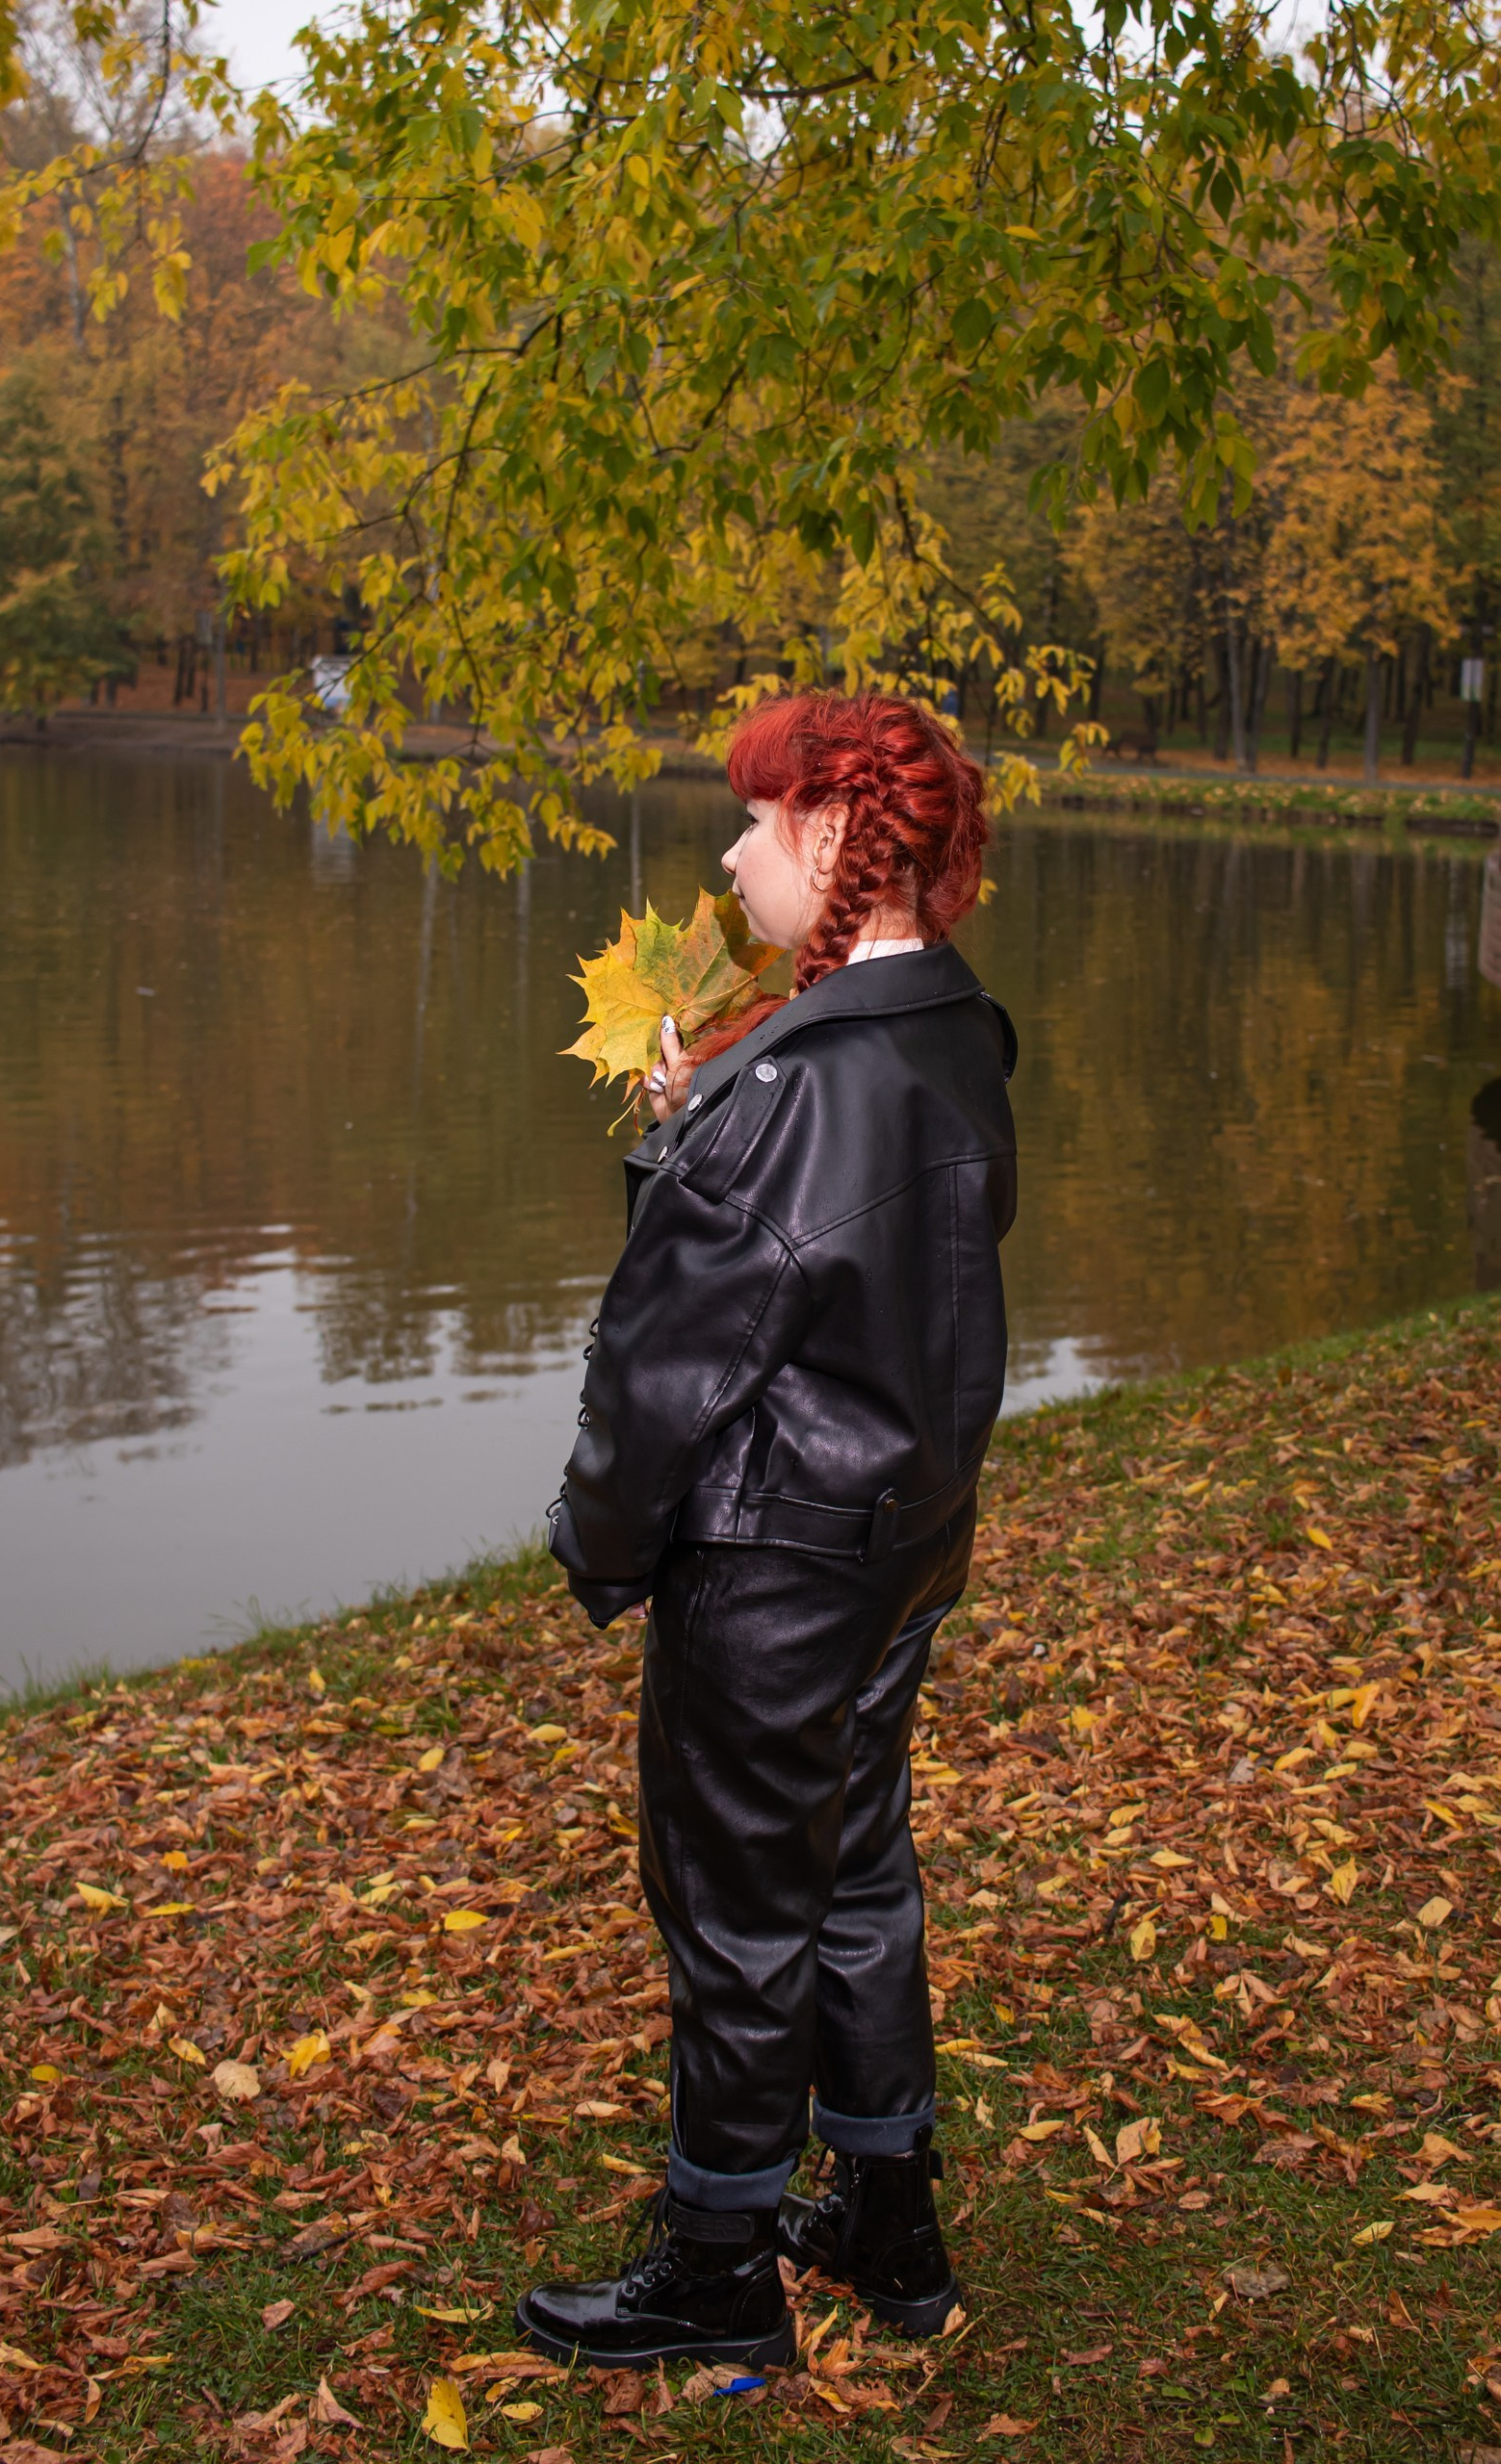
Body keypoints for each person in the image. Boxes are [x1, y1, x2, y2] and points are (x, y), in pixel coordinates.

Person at [519, 688, 1017, 2370]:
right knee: (856, 1862)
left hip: (776, 1560)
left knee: (735, 1905)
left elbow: (670, 1363)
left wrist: (601, 1543)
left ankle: (717, 2258)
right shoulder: (949, 1030)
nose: (733, 854)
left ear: (831, 836)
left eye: (755, 820)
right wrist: (699, 1117)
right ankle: (891, 2225)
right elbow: (863, 1280)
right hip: (896, 1538)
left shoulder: (798, 1088)